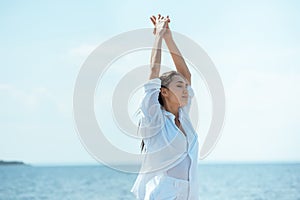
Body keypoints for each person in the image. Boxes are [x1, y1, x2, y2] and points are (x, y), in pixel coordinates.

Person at [131, 14, 199, 200]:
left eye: (185, 86)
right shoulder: (154, 118)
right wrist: (158, 37)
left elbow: (186, 74)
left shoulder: (183, 116)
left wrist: (169, 38)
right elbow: (153, 72)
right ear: (164, 92)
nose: (185, 90)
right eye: (179, 86)